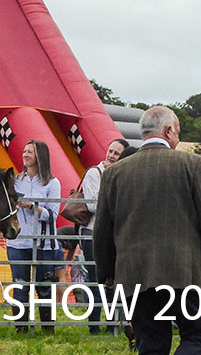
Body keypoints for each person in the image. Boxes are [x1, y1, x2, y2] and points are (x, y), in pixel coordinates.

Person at [93, 106, 201, 355]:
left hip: (135, 276)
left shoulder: (114, 173)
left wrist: (106, 273)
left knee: (151, 344)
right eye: (178, 132)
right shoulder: (194, 165)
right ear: (168, 130)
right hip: (186, 274)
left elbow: (102, 229)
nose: (178, 138)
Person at [7, 140, 63, 333]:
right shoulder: (16, 180)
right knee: (20, 286)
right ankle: (21, 330)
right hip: (18, 242)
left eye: (30, 152)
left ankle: (48, 329)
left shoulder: (53, 183)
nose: (25, 154)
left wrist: (32, 206)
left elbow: (53, 215)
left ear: (40, 156)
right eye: (24, 151)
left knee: (45, 286)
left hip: (43, 243)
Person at [75, 138, 127, 334]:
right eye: (110, 151)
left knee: (112, 279)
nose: (111, 156)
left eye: (116, 153)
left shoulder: (122, 174)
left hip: (114, 233)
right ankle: (94, 324)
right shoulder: (94, 173)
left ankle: (112, 323)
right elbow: (92, 205)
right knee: (95, 278)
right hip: (92, 231)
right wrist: (116, 203)